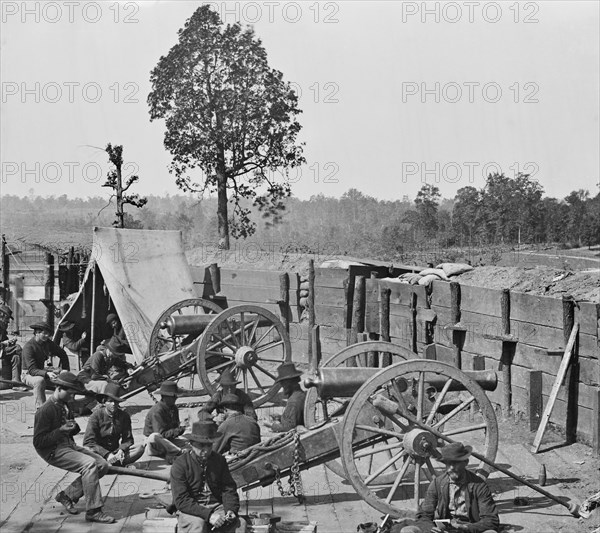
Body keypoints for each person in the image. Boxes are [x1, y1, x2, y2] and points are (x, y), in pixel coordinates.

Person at [33, 371, 115, 523]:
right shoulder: (45, 410)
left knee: (102, 465)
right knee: (89, 465)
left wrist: (73, 427)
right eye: (70, 394)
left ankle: (68, 495)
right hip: (52, 450)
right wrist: (60, 431)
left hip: (67, 445)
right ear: (59, 389)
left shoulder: (64, 404)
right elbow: (38, 442)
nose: (72, 398)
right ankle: (94, 511)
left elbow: (71, 428)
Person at [399, 442, 499, 533]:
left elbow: (491, 519)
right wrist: (430, 528)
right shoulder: (437, 483)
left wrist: (466, 528)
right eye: (448, 463)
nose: (451, 468)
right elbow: (424, 515)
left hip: (470, 528)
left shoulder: (479, 485)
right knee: (407, 530)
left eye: (455, 463)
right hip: (445, 530)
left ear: (465, 463)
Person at [170, 421, 247, 533]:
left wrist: (231, 510)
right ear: (191, 444)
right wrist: (209, 515)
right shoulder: (180, 464)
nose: (206, 450)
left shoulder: (219, 460)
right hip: (191, 508)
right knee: (198, 525)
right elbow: (181, 500)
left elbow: (228, 488)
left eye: (209, 445)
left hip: (216, 507)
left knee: (240, 524)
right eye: (201, 446)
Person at [83, 382, 145, 468]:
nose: (113, 404)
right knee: (87, 451)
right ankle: (116, 465)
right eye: (110, 401)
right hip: (99, 453)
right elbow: (88, 442)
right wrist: (107, 454)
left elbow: (128, 439)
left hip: (116, 453)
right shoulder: (96, 416)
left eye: (116, 401)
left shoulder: (124, 416)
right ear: (104, 402)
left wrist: (121, 450)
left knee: (139, 448)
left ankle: (108, 466)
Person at [22, 322, 71, 409]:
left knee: (65, 379)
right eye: (44, 333)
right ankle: (41, 409)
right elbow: (32, 370)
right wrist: (47, 374)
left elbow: (62, 353)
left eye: (48, 334)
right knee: (39, 381)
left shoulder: (47, 343)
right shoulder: (28, 347)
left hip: (42, 371)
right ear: (37, 333)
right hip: (28, 374)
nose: (47, 336)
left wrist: (65, 369)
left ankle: (65, 407)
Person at [143, 380, 189, 464]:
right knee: (154, 436)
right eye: (173, 396)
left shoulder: (174, 408)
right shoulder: (157, 411)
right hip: (154, 444)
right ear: (165, 396)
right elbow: (162, 434)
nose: (176, 398)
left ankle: (171, 453)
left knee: (189, 440)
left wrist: (183, 427)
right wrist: (180, 428)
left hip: (168, 441)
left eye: (176, 395)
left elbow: (173, 431)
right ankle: (178, 452)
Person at [262, 362, 306, 433]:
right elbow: (293, 418)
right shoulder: (299, 394)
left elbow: (289, 428)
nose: (282, 386)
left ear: (290, 382)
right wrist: (279, 417)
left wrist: (270, 425)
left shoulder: (294, 401)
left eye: (283, 383)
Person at [0, 303, 25, 390]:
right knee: (18, 348)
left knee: (15, 357)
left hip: (1, 352)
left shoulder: (2, 328)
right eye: (6, 318)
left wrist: (10, 342)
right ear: (1, 316)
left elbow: (4, 341)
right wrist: (6, 343)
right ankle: (27, 371)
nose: (8, 321)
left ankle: (16, 383)